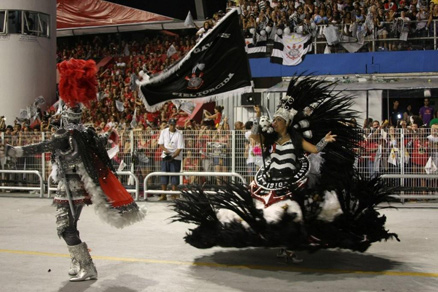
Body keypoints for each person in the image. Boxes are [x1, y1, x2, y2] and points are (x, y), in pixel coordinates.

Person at [173, 76, 398, 261]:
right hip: (267, 181)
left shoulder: (297, 139)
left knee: (290, 215)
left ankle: (289, 248)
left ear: (286, 123)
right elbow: (254, 137)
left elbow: (314, 149)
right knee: (259, 213)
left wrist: (326, 141)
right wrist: (259, 115)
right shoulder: (270, 137)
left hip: (290, 182)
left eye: (278, 120)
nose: (275, 123)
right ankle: (276, 244)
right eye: (275, 120)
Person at [6, 59, 146, 282]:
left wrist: (17, 151)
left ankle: (87, 266)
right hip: (76, 185)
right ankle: (77, 262)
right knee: (70, 226)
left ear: (65, 115)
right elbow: (100, 142)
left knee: (65, 228)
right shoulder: (83, 132)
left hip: (70, 187)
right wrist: (108, 137)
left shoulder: (67, 135)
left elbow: (44, 146)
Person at [158, 118, 185, 200]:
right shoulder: (164, 132)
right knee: (164, 175)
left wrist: (172, 156)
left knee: (174, 176)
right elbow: (160, 144)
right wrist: (166, 151)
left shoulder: (179, 134)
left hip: (175, 157)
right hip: (165, 156)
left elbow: (179, 148)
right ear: (168, 124)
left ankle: (174, 194)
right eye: (171, 125)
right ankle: (163, 194)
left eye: (173, 125)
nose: (172, 126)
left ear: (175, 124)